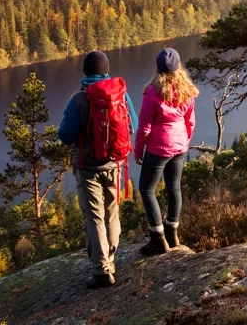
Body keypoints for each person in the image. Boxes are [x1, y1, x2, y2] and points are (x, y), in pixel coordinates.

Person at [57, 50, 138, 289]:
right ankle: (109, 259)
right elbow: (132, 124)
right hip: (114, 164)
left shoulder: (78, 99)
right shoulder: (121, 95)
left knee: (94, 217)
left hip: (87, 166)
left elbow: (65, 135)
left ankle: (101, 270)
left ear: (85, 71)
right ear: (106, 69)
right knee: (111, 213)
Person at [134, 47, 198, 256]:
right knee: (174, 187)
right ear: (179, 66)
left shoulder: (152, 91)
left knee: (146, 189)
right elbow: (190, 121)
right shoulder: (187, 89)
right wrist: (184, 141)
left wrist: (138, 149)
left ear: (158, 67)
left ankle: (158, 238)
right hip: (179, 145)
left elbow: (144, 125)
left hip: (159, 147)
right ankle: (172, 232)